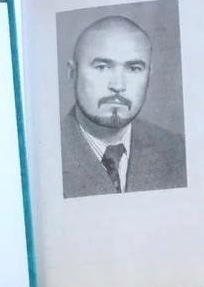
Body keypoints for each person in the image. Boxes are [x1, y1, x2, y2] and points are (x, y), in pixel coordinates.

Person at [60, 15, 186, 198]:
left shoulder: (179, 151)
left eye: (134, 68)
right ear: (72, 73)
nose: (118, 85)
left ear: (148, 76)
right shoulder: (47, 156)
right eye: (102, 67)